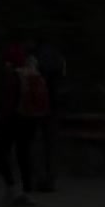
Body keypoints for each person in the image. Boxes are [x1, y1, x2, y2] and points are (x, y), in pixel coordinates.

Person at [0, 45, 49, 207]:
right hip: (30, 120)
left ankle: (11, 189)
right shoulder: (33, 74)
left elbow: (8, 102)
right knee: (24, 155)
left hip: (13, 120)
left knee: (1, 153)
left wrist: (2, 120)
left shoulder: (13, 77)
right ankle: (27, 192)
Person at [33, 40, 67, 191]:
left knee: (38, 144)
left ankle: (40, 178)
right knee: (51, 144)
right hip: (53, 106)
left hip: (40, 106)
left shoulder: (37, 59)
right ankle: (50, 178)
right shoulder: (59, 59)